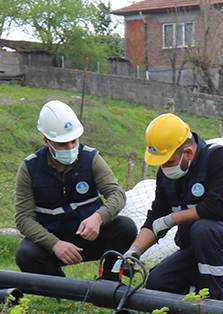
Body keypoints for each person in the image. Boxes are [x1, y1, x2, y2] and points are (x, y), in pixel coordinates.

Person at [120, 113, 223, 302]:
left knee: (205, 228)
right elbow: (155, 217)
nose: (165, 168)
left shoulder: (219, 158)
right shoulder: (168, 175)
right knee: (158, 282)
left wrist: (170, 220)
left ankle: (219, 308)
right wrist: (133, 252)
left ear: (188, 153)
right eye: (161, 163)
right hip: (200, 250)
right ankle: (193, 311)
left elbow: (214, 209)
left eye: (169, 162)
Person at [14, 101, 136, 281]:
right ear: (47, 142)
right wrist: (54, 244)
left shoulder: (91, 158)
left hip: (90, 236)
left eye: (74, 141)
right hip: (53, 240)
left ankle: (108, 283)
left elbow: (117, 194)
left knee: (126, 227)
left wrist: (98, 218)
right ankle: (58, 289)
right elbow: (23, 218)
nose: (70, 148)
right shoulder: (29, 168)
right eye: (62, 144)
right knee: (25, 253)